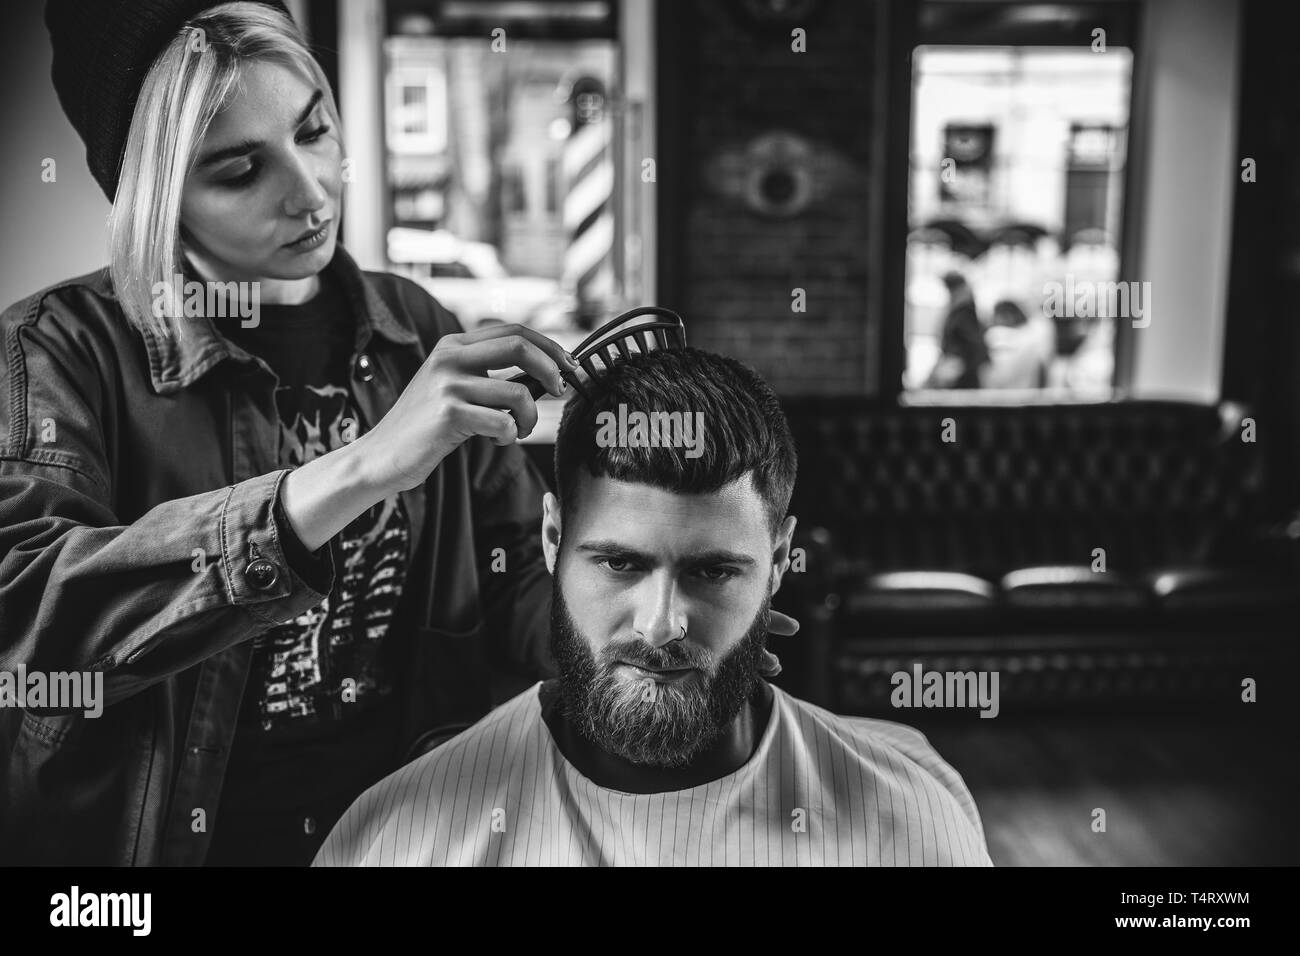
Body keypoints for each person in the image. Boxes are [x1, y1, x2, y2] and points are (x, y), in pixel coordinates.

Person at [314, 348, 993, 867]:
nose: (661, 623)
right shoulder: (400, 838)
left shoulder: (909, 826)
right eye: (620, 563)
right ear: (552, 538)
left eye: (714, 571)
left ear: (781, 560)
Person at [923, 272, 989, 389]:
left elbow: (975, 347)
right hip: (958, 371)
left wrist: (958, 368)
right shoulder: (963, 311)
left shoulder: (963, 313)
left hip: (960, 375)